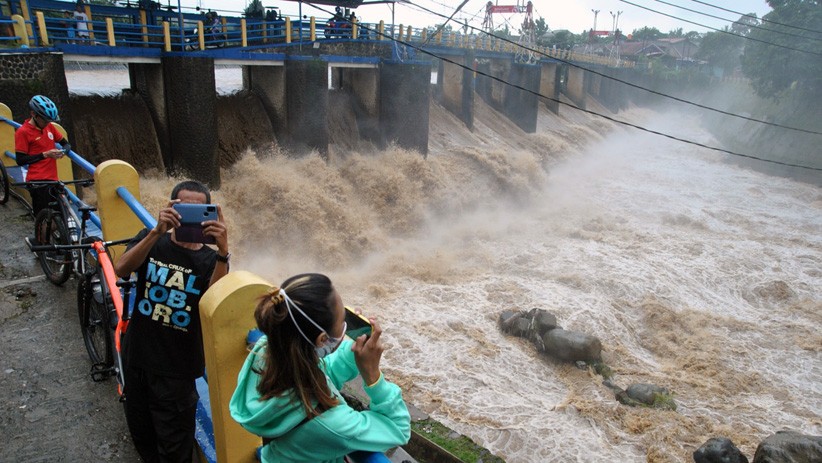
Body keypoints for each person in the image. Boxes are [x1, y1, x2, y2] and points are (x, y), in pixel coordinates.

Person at [230, 273, 411, 463]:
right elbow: (398, 429)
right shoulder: (333, 424)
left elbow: (321, 372)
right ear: (322, 340)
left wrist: (353, 352)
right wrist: (373, 376)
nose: (346, 326)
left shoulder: (268, 351)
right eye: (343, 321)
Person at [114, 180, 230, 463]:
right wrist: (156, 231)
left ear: (209, 213)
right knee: (142, 435)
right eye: (182, 207)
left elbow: (213, 303)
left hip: (177, 371)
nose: (188, 214)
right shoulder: (152, 239)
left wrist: (223, 252)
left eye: (198, 209)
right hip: (137, 357)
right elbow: (122, 269)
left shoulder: (209, 260)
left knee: (175, 449)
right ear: (170, 208)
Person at [14, 95, 71, 222]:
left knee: (63, 213)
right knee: (42, 218)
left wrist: (64, 151)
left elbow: (65, 143)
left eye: (49, 121)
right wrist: (45, 154)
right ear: (33, 114)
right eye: (45, 120)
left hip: (52, 179)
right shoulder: (23, 132)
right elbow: (20, 160)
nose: (47, 123)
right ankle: (41, 240)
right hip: (37, 181)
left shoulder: (49, 127)